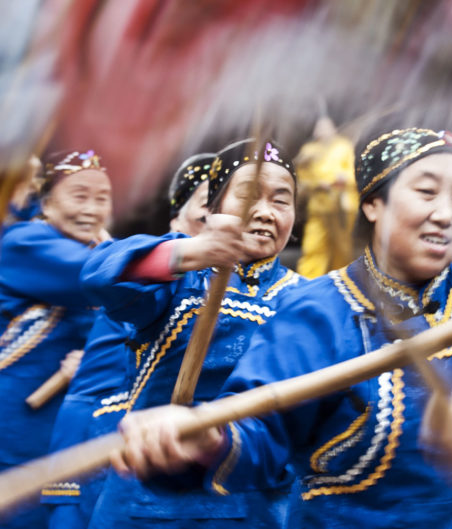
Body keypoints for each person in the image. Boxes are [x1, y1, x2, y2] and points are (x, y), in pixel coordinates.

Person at [112, 128, 452, 528]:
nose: (447, 213)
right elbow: (255, 440)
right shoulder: (316, 312)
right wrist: (204, 439)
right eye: (426, 192)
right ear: (373, 202)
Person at [81, 139, 305, 528]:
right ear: (213, 208)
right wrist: (192, 253)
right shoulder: (181, 275)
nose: (266, 212)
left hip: (255, 506)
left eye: (281, 201)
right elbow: (98, 276)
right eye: (249, 195)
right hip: (149, 505)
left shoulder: (309, 300)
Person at [40, 152, 217, 529]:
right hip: (98, 436)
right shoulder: (147, 272)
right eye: (207, 209)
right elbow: (100, 274)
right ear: (175, 224)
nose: (221, 222)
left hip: (169, 449)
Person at [0, 149, 112, 529]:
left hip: (54, 438)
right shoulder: (26, 242)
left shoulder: (103, 257)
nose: (92, 209)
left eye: (102, 198)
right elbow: (95, 278)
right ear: (46, 202)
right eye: (79, 195)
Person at [296, 116, 358, 278]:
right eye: (319, 127)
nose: (322, 131)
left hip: (341, 206)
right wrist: (318, 183)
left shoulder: (344, 147)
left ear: (333, 129)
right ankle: (308, 280)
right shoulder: (309, 150)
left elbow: (353, 173)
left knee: (342, 247)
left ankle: (342, 281)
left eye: (325, 127)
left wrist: (341, 179)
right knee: (313, 245)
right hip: (318, 206)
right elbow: (302, 176)